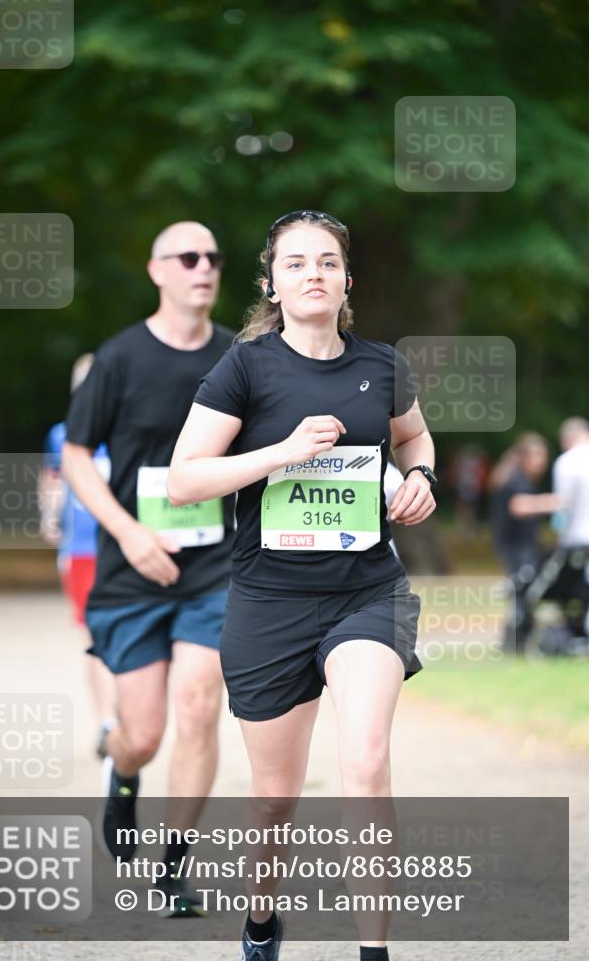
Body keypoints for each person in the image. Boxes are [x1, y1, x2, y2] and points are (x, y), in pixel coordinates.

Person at [168, 210, 436, 961]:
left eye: (326, 262)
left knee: (365, 762)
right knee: (274, 800)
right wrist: (280, 453)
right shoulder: (244, 369)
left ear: (346, 280)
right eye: (295, 263)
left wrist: (420, 474)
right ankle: (261, 920)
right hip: (269, 603)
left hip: (366, 592)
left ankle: (373, 952)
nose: (312, 273)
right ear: (271, 283)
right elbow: (185, 480)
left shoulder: (382, 365)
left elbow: (412, 433)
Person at [62, 221, 235, 915]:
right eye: (188, 257)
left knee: (199, 706)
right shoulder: (119, 358)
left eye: (213, 257)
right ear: (157, 270)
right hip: (132, 569)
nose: (203, 267)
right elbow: (76, 455)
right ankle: (122, 770)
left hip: (213, 568)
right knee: (143, 734)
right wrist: (129, 532)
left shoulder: (238, 357)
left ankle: (172, 869)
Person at [39, 354, 115, 757]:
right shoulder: (62, 433)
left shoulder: (126, 426)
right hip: (83, 548)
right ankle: (107, 721)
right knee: (96, 634)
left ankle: (129, 716)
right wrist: (49, 516)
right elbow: (53, 478)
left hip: (127, 545)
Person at [505, 418, 589, 653]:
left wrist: (558, 531)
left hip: (576, 543)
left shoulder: (567, 461)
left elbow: (563, 507)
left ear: (566, 440)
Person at [488, 433, 550, 652]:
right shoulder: (516, 480)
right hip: (515, 546)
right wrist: (556, 501)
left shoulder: (521, 479)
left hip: (519, 545)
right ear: (525, 457)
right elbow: (519, 506)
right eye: (538, 456)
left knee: (523, 589)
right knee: (522, 587)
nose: (542, 462)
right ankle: (514, 639)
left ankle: (516, 638)